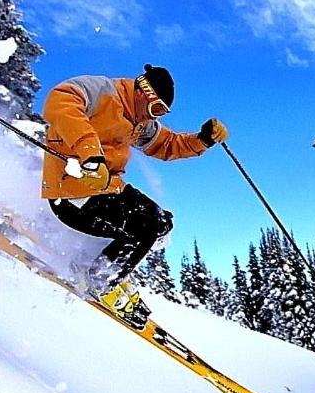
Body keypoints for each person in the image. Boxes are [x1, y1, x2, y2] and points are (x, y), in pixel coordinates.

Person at [41, 64, 228, 327]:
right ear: (144, 91)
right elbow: (60, 99)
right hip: (73, 189)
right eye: (157, 109)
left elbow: (166, 144)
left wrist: (203, 140)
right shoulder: (103, 91)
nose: (156, 117)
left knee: (161, 221)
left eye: (162, 113)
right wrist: (89, 152)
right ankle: (100, 280)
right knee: (145, 226)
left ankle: (103, 265)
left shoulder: (139, 122)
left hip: (106, 188)